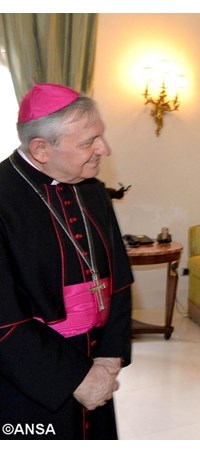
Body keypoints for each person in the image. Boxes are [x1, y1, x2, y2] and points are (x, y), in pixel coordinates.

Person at [0, 83, 133, 439]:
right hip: (28, 378)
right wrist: (74, 377)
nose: (104, 149)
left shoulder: (92, 189)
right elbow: (4, 319)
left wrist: (110, 355)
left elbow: (119, 277)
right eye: (89, 142)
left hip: (96, 359)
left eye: (101, 136)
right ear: (41, 149)